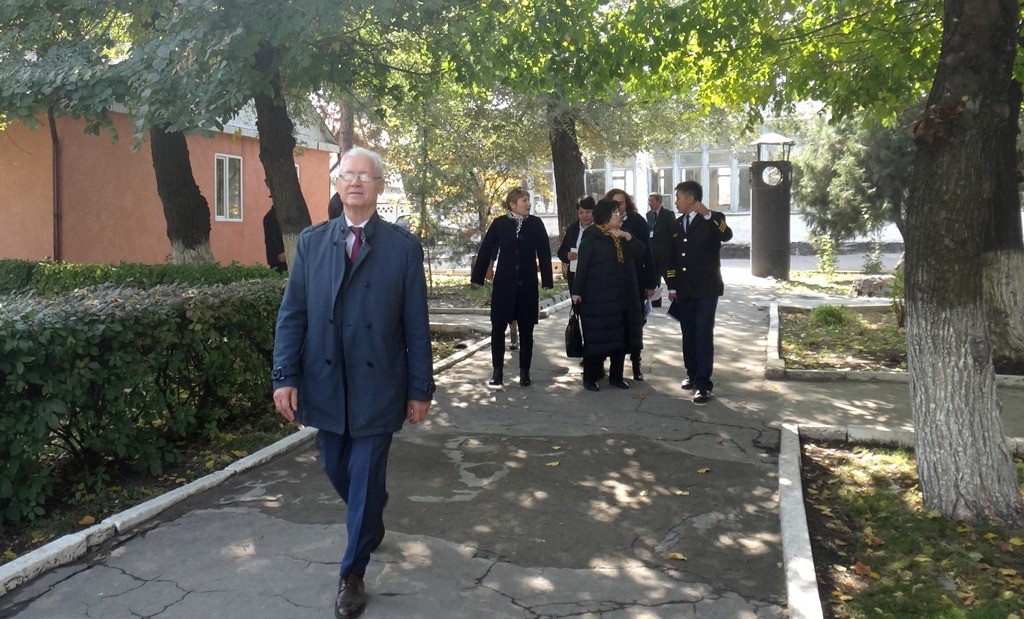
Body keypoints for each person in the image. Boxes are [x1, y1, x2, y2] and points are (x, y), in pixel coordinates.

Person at [271, 147, 435, 619]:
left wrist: (420, 388)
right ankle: (371, 513)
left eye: (366, 175)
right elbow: (293, 315)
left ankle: (351, 575)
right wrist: (285, 376)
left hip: (379, 384)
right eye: (348, 175)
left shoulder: (402, 247)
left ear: (379, 186)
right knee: (336, 468)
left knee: (363, 476)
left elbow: (415, 324)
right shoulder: (312, 242)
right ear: (338, 183)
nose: (356, 182)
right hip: (325, 382)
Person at [470, 188, 554, 387]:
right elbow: (487, 249)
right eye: (524, 200)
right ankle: (497, 372)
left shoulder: (535, 223)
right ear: (512, 204)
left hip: (527, 283)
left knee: (526, 329)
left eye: (529, 200)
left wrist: (547, 280)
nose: (528, 204)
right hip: (504, 283)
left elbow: (544, 251)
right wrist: (478, 277)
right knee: (498, 327)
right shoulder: (500, 223)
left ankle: (525, 372)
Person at [667, 180, 733, 404]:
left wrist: (708, 214)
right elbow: (672, 256)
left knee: (703, 334)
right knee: (688, 333)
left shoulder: (713, 219)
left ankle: (704, 384)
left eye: (678, 197)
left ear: (690, 199)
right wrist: (672, 285)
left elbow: (727, 235)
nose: (676, 202)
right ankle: (692, 374)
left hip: (706, 288)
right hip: (684, 289)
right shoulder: (677, 224)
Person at [570, 199, 645, 392]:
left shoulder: (622, 236)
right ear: (605, 218)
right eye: (616, 213)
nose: (620, 216)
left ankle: (616, 377)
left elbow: (641, 251)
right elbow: (582, 269)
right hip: (598, 299)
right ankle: (590, 378)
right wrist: (576, 292)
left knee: (621, 338)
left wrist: (628, 236)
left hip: (623, 297)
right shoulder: (591, 238)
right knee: (597, 340)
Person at [604, 189, 657, 381]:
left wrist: (651, 283)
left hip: (635, 279)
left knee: (635, 324)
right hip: (612, 281)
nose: (618, 207)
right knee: (614, 324)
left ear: (627, 204)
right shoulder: (603, 223)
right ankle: (611, 366)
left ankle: (636, 364)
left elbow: (647, 252)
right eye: (614, 203)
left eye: (622, 203)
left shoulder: (637, 221)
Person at [556, 196, 596, 289]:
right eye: (581, 213)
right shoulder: (572, 229)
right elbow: (561, 252)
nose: (584, 216)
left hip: (594, 277)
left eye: (588, 212)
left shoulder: (600, 229)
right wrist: (567, 255)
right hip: (575, 276)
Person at [645, 192, 676, 307]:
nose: (650, 203)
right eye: (649, 201)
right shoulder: (649, 215)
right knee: (654, 278)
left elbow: (673, 232)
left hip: (665, 252)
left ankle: (674, 296)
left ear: (659, 201)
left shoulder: (668, 214)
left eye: (652, 201)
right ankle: (655, 302)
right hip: (653, 252)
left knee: (669, 276)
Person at [263, 207, 287, 273]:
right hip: (279, 258)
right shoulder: (270, 217)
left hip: (285, 255)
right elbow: (271, 238)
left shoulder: (283, 214)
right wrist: (279, 252)